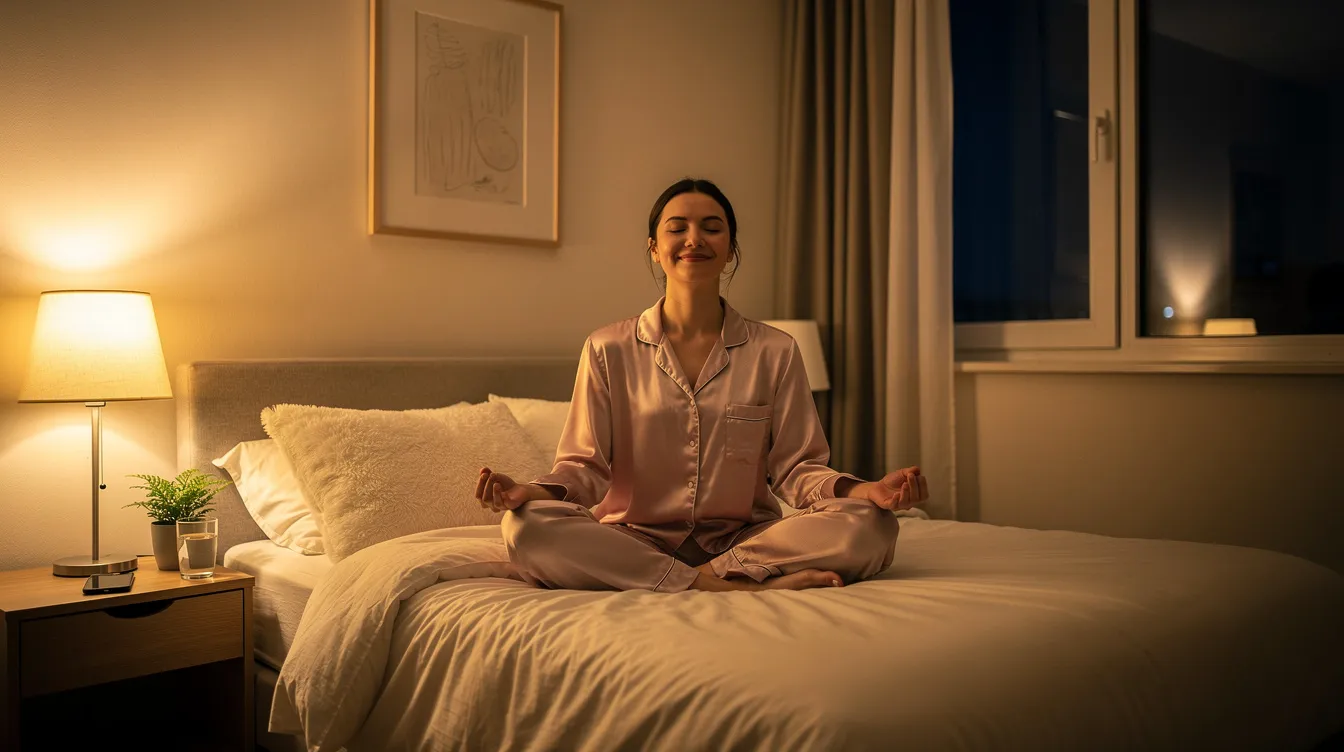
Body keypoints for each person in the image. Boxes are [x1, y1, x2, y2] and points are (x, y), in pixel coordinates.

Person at [474, 178, 929, 593]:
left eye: (712, 228)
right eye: (678, 228)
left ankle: (705, 576)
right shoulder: (606, 349)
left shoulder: (776, 351)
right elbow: (583, 470)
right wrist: (529, 493)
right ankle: (730, 587)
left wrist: (866, 491)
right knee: (526, 526)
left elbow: (797, 470)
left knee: (873, 526)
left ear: (730, 248)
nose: (695, 239)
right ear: (654, 248)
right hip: (632, 538)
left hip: (745, 539)